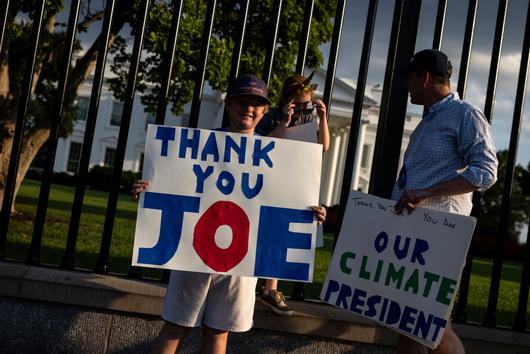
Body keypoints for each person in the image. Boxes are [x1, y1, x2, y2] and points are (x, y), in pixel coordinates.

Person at [131, 74, 326, 354]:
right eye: (242, 102)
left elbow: (285, 198)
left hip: (243, 259)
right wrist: (147, 190)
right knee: (176, 326)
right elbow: (173, 184)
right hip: (193, 255)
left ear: (265, 110)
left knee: (218, 334)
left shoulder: (276, 152)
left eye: (256, 104)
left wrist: (311, 214)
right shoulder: (197, 144)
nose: (249, 108)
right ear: (229, 105)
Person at [392, 49, 498, 354]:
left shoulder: (465, 114)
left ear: (424, 78)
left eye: (409, 79)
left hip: (439, 235)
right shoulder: (429, 121)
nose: (406, 86)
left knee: (427, 326)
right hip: (414, 235)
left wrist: (425, 193)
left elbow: (485, 172)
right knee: (414, 325)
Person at [255, 72, 330, 316]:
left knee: (281, 236)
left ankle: (270, 288)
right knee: (263, 231)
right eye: (296, 104)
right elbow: (260, 145)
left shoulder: (309, 120)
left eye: (305, 104)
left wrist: (322, 118)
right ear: (286, 100)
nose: (300, 109)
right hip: (269, 182)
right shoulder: (275, 116)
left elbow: (322, 147)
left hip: (295, 183)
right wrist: (284, 122)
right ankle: (259, 286)